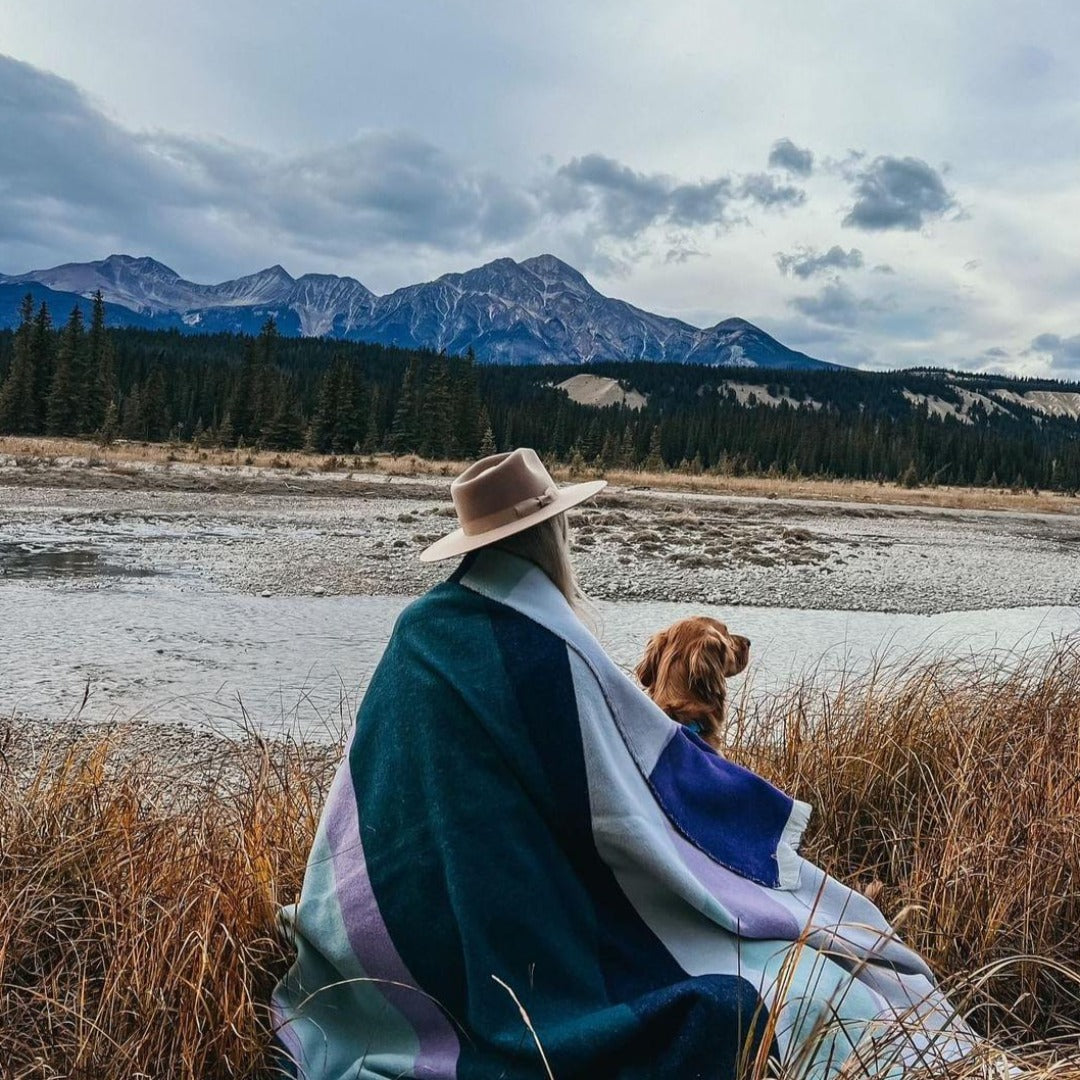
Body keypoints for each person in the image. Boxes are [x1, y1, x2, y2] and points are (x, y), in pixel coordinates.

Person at [272, 448, 983, 1080]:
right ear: (552, 537)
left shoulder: (415, 633)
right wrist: (739, 812)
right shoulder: (548, 646)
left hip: (417, 918)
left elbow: (364, 800)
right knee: (781, 991)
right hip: (532, 935)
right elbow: (632, 795)